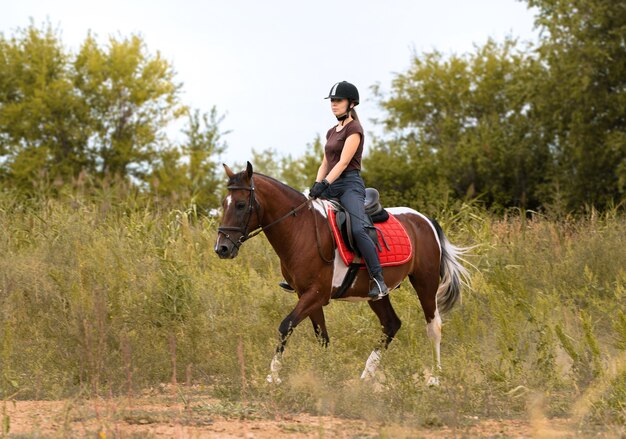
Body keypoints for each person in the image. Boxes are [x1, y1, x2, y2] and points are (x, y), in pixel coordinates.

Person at [281, 81, 389, 300]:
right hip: (330, 184)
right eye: (332, 101)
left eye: (338, 101)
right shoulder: (331, 131)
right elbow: (325, 163)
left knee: (358, 229)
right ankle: (299, 275)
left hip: (349, 185)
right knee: (305, 220)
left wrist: (325, 184)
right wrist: (315, 185)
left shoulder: (354, 129)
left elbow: (342, 163)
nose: (333, 105)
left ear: (351, 104)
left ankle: (378, 278)